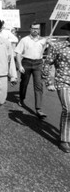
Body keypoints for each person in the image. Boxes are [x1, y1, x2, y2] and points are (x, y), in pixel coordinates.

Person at [42, 22, 70, 153]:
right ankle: (64, 140)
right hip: (63, 81)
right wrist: (49, 81)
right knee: (68, 109)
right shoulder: (58, 47)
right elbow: (47, 63)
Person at [14, 22, 48, 118]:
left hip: (38, 63)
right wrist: (19, 65)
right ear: (30, 29)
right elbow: (17, 53)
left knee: (38, 85)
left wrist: (47, 43)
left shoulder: (43, 40)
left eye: (37, 28)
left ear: (39, 29)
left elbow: (46, 51)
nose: (35, 30)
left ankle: (38, 109)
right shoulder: (24, 40)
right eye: (33, 28)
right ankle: (21, 98)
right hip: (26, 63)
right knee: (24, 83)